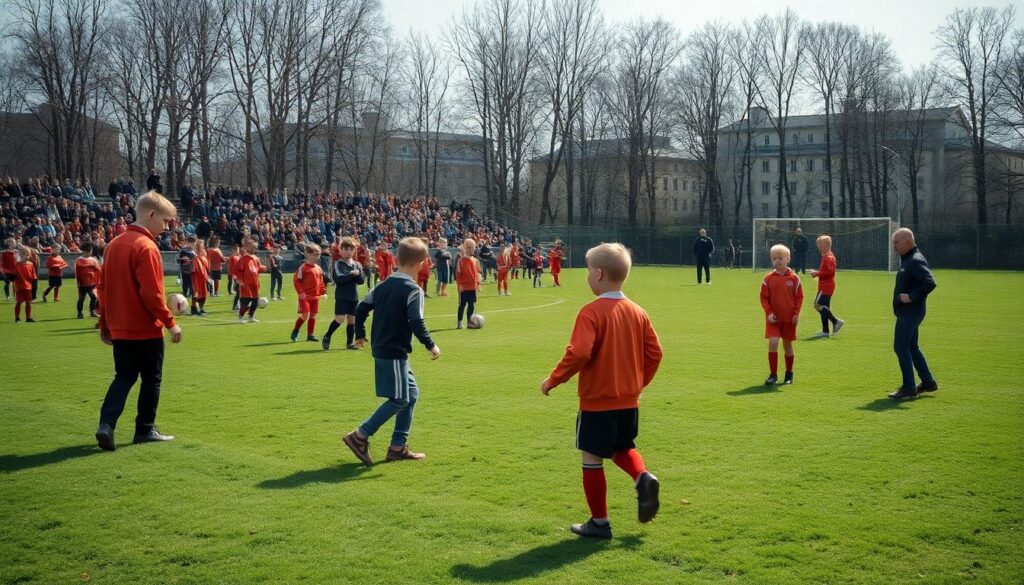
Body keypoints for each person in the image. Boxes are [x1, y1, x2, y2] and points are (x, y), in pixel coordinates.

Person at [540, 242, 663, 540]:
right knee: (622, 447)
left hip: (597, 402)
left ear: (598, 273)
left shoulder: (591, 312)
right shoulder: (637, 311)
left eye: (586, 271)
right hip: (628, 401)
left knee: (592, 457)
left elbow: (580, 351)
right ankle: (642, 477)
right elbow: (655, 354)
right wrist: (637, 385)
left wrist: (553, 379)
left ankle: (600, 522)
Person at [342, 237, 441, 465]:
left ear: (396, 259)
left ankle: (397, 447)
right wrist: (430, 344)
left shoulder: (382, 285)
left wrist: (359, 333)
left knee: (411, 395)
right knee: (398, 399)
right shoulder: (413, 290)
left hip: (384, 348)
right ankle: (360, 436)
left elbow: (361, 307)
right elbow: (416, 321)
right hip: (394, 351)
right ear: (423, 263)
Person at [94, 191, 182, 451]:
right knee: (151, 379)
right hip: (145, 329)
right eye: (166, 222)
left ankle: (106, 425)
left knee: (123, 377)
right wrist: (170, 322)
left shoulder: (113, 245)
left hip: (121, 328)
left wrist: (106, 325)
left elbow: (103, 289)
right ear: (151, 214)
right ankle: (145, 429)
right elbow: (152, 293)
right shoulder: (146, 246)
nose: (166, 228)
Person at [888, 228, 938, 400]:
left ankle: (909, 387)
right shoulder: (908, 259)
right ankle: (928, 382)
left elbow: (930, 283)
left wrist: (911, 296)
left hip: (910, 313)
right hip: (910, 312)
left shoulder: (914, 260)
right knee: (912, 347)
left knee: (900, 347)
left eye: (896, 242)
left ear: (908, 242)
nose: (894, 246)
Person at [760, 244, 803, 385]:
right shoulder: (767, 279)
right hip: (773, 319)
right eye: (774, 258)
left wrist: (796, 314)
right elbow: (764, 298)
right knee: (773, 342)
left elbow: (799, 297)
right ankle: (773, 375)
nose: (777, 261)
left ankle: (789, 374)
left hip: (789, 319)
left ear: (788, 259)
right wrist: (769, 313)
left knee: (787, 345)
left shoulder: (794, 278)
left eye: (780, 258)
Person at [322, 237, 364, 351]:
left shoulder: (357, 264)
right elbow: (338, 280)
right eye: (345, 249)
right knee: (340, 318)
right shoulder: (338, 264)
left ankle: (349, 343)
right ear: (341, 250)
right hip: (342, 295)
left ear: (354, 250)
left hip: (353, 296)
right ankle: (327, 335)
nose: (348, 251)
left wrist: (357, 275)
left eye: (350, 249)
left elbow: (361, 281)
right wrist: (352, 275)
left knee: (352, 320)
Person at [291, 243, 327, 342]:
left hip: (315, 296)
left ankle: (310, 335)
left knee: (313, 315)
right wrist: (300, 293)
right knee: (305, 314)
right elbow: (296, 281)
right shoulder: (303, 268)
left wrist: (323, 292)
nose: (317, 257)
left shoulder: (318, 268)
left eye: (318, 255)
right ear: (308, 254)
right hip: (305, 296)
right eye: (315, 254)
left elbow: (321, 282)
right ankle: (296, 330)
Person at [810, 235, 844, 338]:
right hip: (825, 286)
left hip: (826, 287)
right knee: (824, 308)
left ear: (825, 245)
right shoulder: (825, 255)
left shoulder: (829, 257)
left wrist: (817, 273)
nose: (818, 246)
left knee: (817, 305)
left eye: (819, 244)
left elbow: (831, 272)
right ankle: (825, 331)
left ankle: (836, 321)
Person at [234, 236, 267, 323]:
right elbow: (239, 271)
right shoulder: (243, 259)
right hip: (245, 284)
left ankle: (251, 316)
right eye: (252, 247)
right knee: (245, 302)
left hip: (255, 283)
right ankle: (240, 317)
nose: (254, 248)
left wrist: (264, 268)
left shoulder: (256, 258)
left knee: (255, 301)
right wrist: (239, 280)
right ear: (246, 247)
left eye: (254, 247)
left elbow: (258, 268)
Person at [455, 238, 481, 329]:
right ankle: (459, 322)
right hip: (464, 288)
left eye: (473, 248)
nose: (471, 250)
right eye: (469, 248)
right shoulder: (461, 261)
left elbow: (478, 273)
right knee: (462, 305)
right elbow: (458, 275)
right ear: (465, 248)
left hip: (473, 287)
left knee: (471, 305)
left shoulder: (475, 260)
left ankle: (470, 322)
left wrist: (478, 284)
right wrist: (459, 286)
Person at [75, 242, 101, 319]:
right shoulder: (79, 260)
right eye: (90, 251)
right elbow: (77, 272)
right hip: (82, 284)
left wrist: (97, 281)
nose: (91, 252)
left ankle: (92, 311)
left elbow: (98, 271)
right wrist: (78, 282)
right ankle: (80, 313)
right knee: (81, 299)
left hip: (92, 284)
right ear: (85, 251)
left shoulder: (93, 260)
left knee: (93, 297)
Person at [13, 246, 37, 322]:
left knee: (28, 302)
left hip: (28, 287)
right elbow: (14, 276)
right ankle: (17, 317)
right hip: (19, 287)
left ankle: (28, 318)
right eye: (25, 254)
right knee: (19, 302)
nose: (27, 256)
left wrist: (34, 288)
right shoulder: (17, 265)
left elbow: (33, 277)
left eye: (28, 254)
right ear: (20, 255)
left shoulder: (30, 264)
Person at [189, 239, 210, 316]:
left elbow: (206, 266)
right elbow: (194, 269)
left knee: (203, 293)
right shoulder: (195, 258)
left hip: (203, 277)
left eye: (201, 245)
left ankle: (201, 309)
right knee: (196, 293)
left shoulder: (203, 256)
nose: (202, 247)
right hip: (197, 278)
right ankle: (193, 309)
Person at [228, 244, 242, 310]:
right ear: (233, 250)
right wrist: (234, 276)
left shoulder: (239, 256)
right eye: (236, 249)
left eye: (238, 249)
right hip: (236, 276)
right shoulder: (233, 257)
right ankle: (235, 306)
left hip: (240, 276)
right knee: (238, 292)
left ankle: (237, 306)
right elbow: (232, 268)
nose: (237, 250)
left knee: (240, 292)